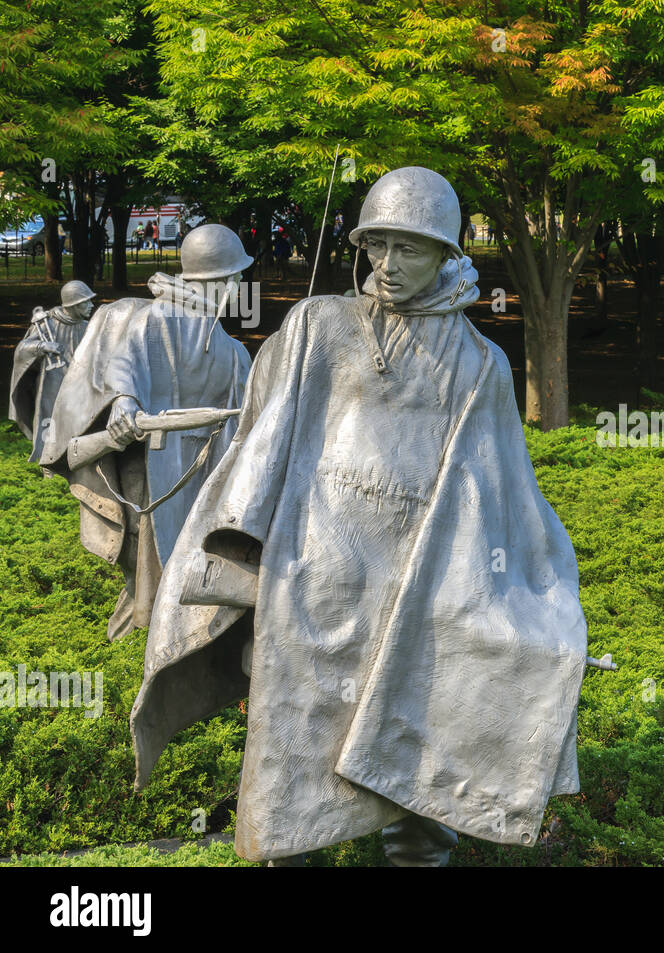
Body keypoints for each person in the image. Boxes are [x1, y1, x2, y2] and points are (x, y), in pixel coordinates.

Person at [130, 167, 588, 867]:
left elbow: (502, 495)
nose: (390, 264)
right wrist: (246, 561)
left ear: (446, 254)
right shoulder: (318, 326)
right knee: (290, 773)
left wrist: (538, 603)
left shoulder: (480, 363)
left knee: (416, 782)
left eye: (411, 248)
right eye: (378, 245)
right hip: (311, 581)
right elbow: (263, 441)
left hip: (418, 592)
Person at [40, 225, 252, 639]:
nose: (242, 283)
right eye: (237, 275)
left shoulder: (231, 347)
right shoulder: (154, 320)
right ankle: (138, 627)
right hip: (151, 464)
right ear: (221, 280)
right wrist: (124, 403)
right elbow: (125, 363)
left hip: (199, 469)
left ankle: (169, 631)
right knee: (145, 554)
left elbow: (244, 410)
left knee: (185, 552)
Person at [8, 280, 97, 464]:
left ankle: (78, 459)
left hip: (79, 385)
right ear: (73, 304)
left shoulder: (89, 326)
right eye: (85, 302)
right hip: (53, 383)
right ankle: (49, 461)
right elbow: (22, 349)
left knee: (80, 422)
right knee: (51, 424)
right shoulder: (46, 323)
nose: (91, 305)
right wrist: (42, 346)